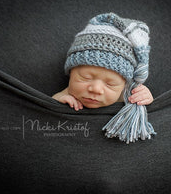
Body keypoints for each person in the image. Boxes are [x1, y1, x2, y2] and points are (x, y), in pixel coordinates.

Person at [52, 12, 156, 143]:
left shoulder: (126, 94)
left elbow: (141, 102)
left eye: (111, 83)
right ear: (71, 72)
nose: (96, 89)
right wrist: (59, 100)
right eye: (85, 77)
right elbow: (47, 110)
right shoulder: (70, 92)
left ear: (125, 84)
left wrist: (145, 96)